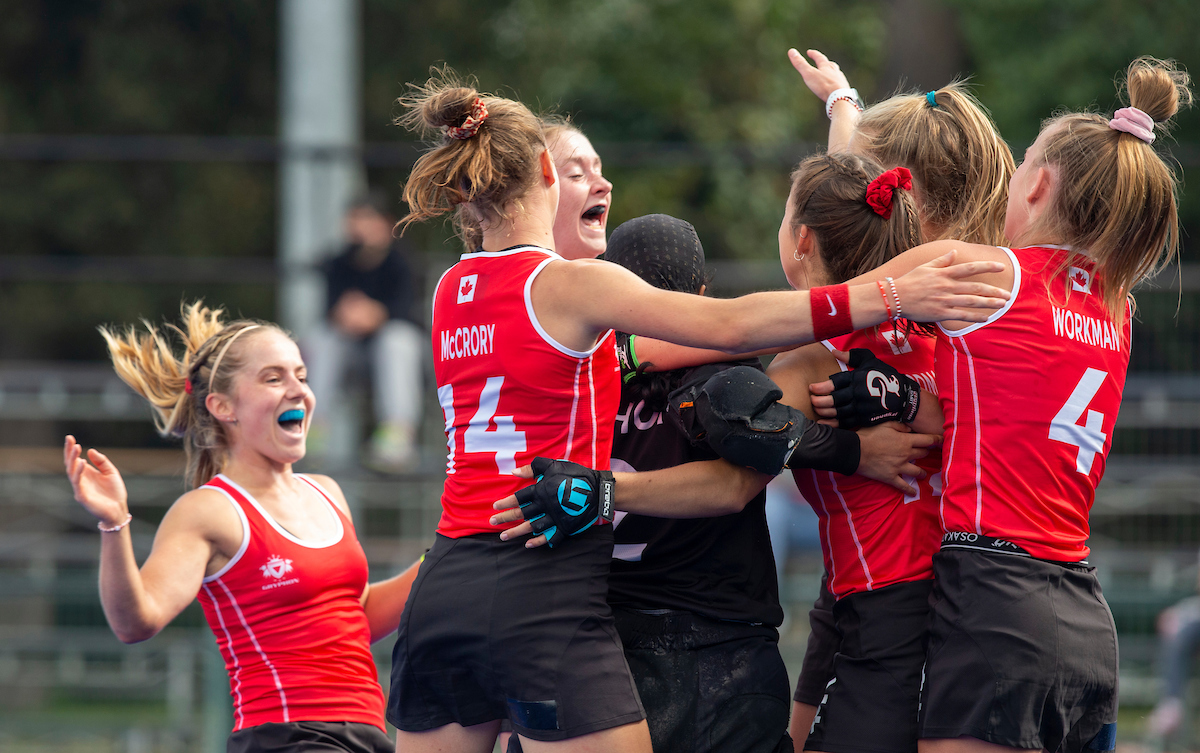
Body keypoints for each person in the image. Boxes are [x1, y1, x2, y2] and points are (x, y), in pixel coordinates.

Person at [387, 69, 1010, 753]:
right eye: (576, 168)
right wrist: (889, 292)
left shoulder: (450, 291)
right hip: (541, 579)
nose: (598, 183)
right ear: (543, 171)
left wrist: (843, 121)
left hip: (448, 580)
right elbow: (734, 326)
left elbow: (642, 347)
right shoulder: (573, 288)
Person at [809, 56, 1191, 753]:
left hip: (992, 599)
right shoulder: (1118, 306)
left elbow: (834, 265)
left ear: (1040, 184)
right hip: (1081, 611)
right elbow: (985, 415)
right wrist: (842, 106)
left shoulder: (985, 278)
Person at [783, 47, 1016, 742]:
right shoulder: (909, 292)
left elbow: (834, 212)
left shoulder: (947, 304)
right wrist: (841, 103)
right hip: (872, 588)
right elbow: (840, 201)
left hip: (914, 597)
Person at [64, 302, 419, 753]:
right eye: (274, 378)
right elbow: (135, 623)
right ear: (223, 406)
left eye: (302, 376)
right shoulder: (210, 510)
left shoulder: (327, 492)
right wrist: (114, 525)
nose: (299, 391)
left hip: (366, 734)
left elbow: (354, 618)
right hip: (287, 738)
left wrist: (444, 555)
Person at [306, 193, 425, 471]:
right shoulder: (338, 261)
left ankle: (397, 435)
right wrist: (349, 315)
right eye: (355, 219)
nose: (359, 226)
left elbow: (407, 312)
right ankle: (311, 429)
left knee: (397, 340)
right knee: (321, 340)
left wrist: (376, 314)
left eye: (367, 218)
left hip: (394, 356)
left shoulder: (402, 261)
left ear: (385, 223)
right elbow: (330, 310)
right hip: (350, 351)